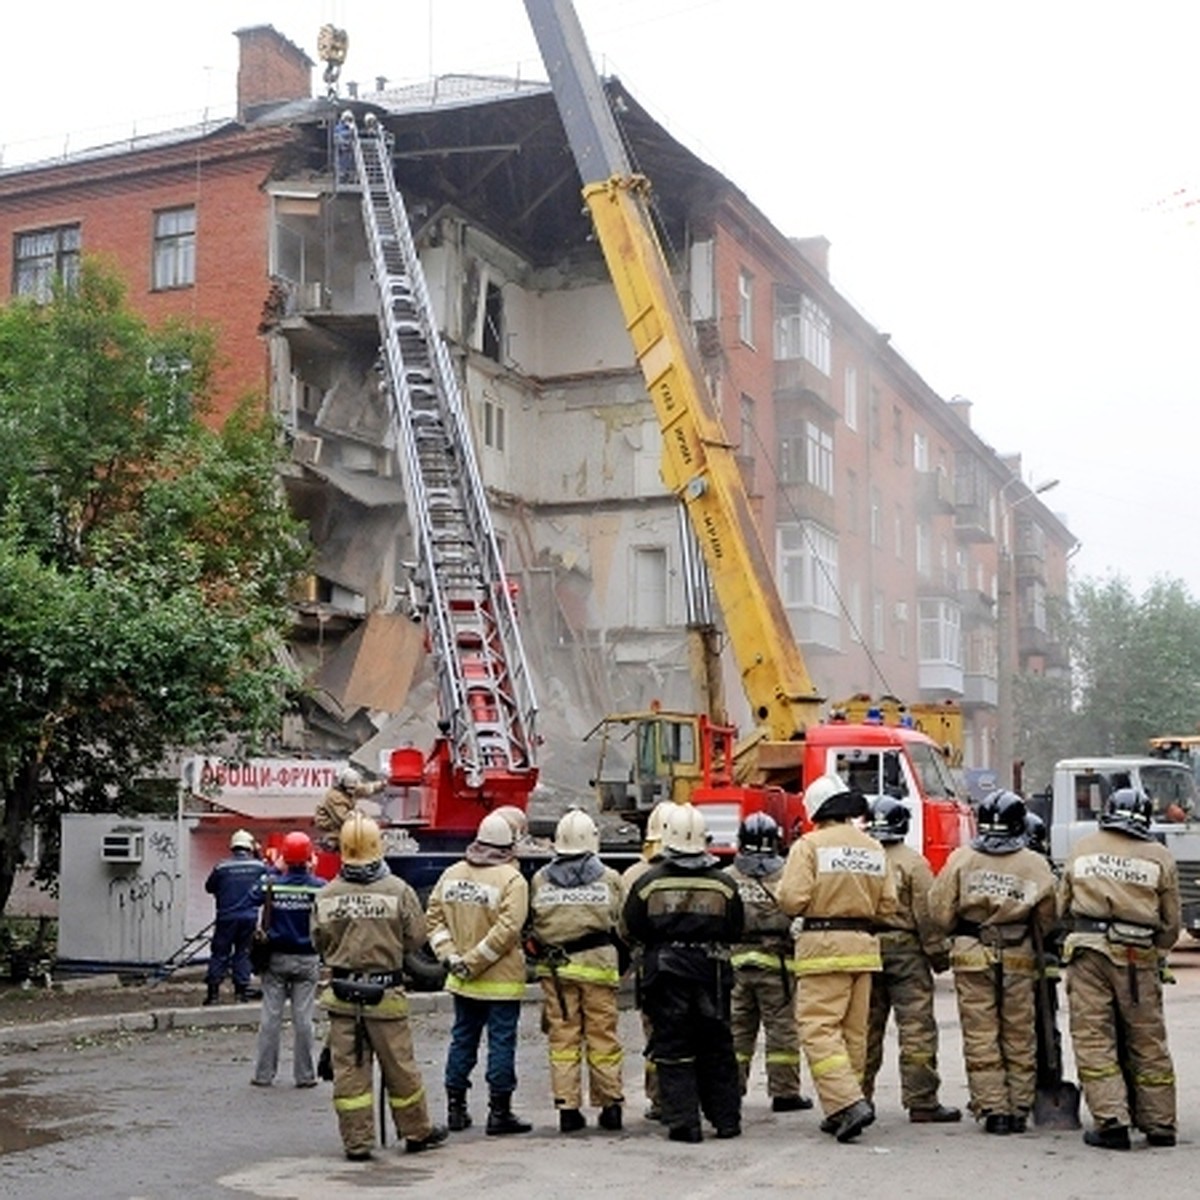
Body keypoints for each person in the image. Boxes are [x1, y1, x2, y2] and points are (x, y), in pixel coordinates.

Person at [311, 813, 448, 1162]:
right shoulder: (398, 890)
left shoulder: (326, 894)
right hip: (386, 995)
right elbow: (416, 937)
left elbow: (319, 942)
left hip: (342, 997)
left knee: (349, 1074)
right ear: (378, 848)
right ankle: (416, 1132)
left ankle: (357, 1143)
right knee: (400, 1068)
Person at [928, 789, 1056, 1135]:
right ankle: (1019, 1108)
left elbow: (939, 911)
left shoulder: (961, 859)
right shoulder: (1035, 864)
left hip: (972, 955)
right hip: (1019, 953)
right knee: (1019, 1031)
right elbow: (1049, 917)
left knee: (981, 1032)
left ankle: (993, 1109)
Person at [1059, 787, 1181, 1150]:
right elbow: (1171, 923)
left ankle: (1112, 1122)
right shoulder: (1160, 856)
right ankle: (1160, 1125)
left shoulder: (1082, 848)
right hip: (1138, 956)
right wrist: (1154, 951)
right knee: (1147, 1039)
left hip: (1089, 953)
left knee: (1095, 1037)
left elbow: (1062, 904)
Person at [777, 775, 897, 1144]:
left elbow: (792, 899)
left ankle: (847, 1103)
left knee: (818, 1029)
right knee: (852, 1033)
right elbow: (889, 905)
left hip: (822, 947)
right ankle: (841, 1107)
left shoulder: (809, 845)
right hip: (863, 947)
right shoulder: (874, 847)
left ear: (815, 811)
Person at [623, 804, 744, 1144]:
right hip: (712, 974)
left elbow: (632, 927)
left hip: (665, 975)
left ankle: (684, 1124)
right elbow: (736, 929)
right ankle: (726, 1120)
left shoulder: (648, 883)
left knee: (673, 1046)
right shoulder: (724, 885)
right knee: (717, 1045)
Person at [426, 810, 532, 1136]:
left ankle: (456, 1110)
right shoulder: (513, 880)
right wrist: (475, 960)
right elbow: (508, 931)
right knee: (501, 1044)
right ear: (509, 845)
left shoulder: (452, 873)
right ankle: (500, 1114)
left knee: (462, 1039)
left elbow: (433, 919)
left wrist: (451, 957)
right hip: (499, 982)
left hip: (462, 980)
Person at [527, 808, 626, 1133]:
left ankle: (567, 1109)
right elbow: (622, 925)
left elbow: (530, 927)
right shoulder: (610, 878)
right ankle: (610, 1106)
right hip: (598, 968)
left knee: (563, 1039)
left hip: (557, 972)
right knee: (602, 1037)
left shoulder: (540, 879)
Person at [862, 797, 960, 1123]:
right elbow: (927, 914)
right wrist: (938, 955)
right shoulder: (913, 864)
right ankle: (922, 1102)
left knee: (864, 1028)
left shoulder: (859, 858)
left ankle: (858, 1099)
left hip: (865, 951)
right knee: (916, 1028)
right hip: (906, 954)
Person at [725, 811, 812, 1113]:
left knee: (736, 1031)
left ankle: (730, 1090)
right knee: (782, 1030)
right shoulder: (787, 873)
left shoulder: (727, 877)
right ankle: (785, 1093)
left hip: (735, 967)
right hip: (778, 969)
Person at [248, 831, 326, 1088]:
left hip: (275, 959)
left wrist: (273, 868)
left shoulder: (272, 883)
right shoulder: (319, 887)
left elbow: (250, 896)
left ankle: (263, 1075)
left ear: (284, 856)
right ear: (309, 857)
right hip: (307, 959)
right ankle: (305, 1076)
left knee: (270, 1018)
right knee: (304, 1020)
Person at [621, 799, 675, 1122]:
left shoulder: (633, 875)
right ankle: (689, 1095)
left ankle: (659, 1099)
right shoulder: (706, 874)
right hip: (695, 968)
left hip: (650, 967)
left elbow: (624, 925)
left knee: (655, 1034)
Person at [203, 829, 266, 1006]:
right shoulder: (258, 866)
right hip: (249, 918)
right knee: (243, 953)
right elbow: (268, 883)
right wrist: (259, 853)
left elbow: (209, 887)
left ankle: (213, 994)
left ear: (233, 846)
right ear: (249, 847)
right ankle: (241, 993)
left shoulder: (222, 866)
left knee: (220, 953)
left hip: (226, 917)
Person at [314, 765, 385, 851]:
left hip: (341, 819)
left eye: (353, 788)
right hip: (329, 824)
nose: (352, 791)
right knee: (349, 835)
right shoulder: (335, 797)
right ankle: (331, 841)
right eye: (350, 788)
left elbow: (367, 789)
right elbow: (343, 818)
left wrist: (382, 785)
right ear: (343, 785)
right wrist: (363, 821)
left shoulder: (351, 786)